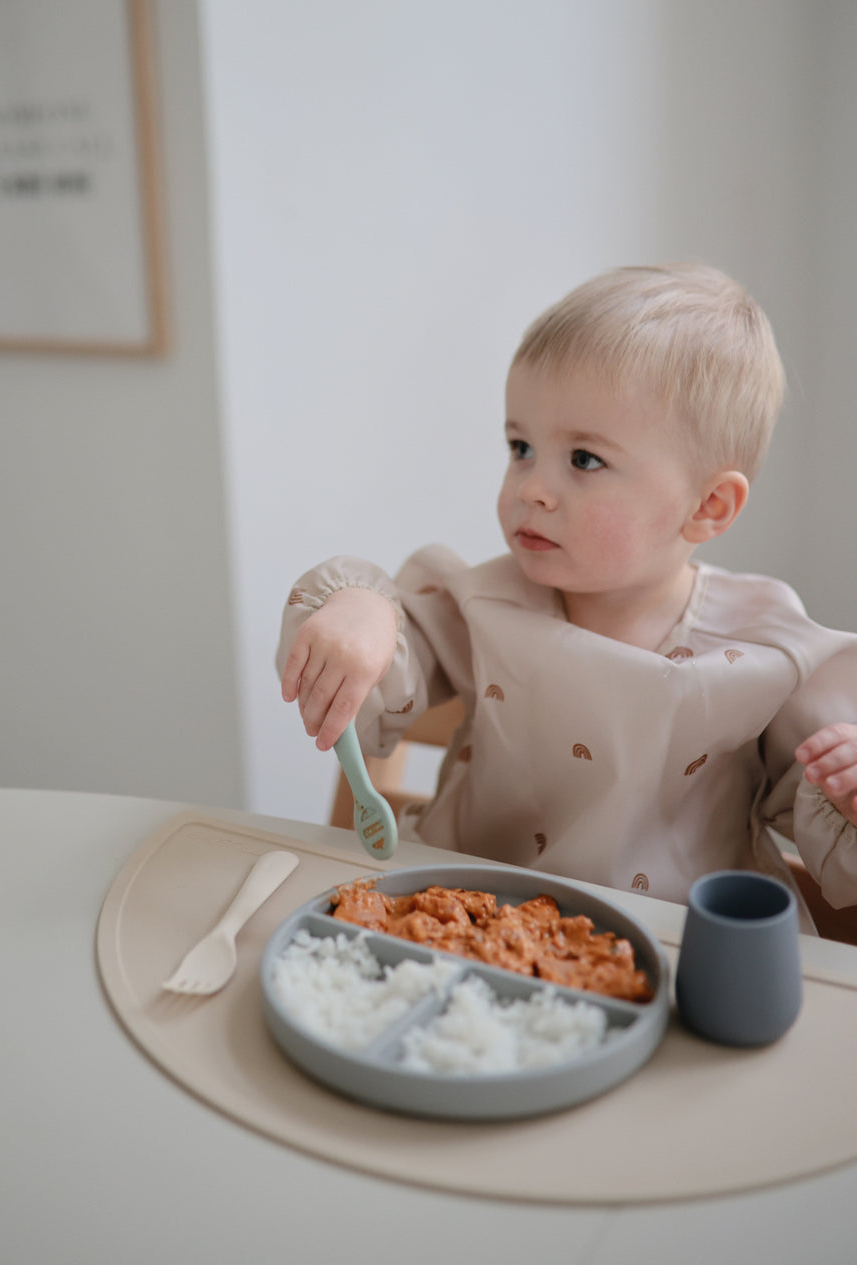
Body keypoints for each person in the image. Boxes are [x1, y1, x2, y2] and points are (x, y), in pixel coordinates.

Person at [277, 263, 857, 925]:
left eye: (583, 459)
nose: (530, 486)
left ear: (709, 505)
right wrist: (362, 608)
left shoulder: (763, 648)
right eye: (520, 446)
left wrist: (845, 790)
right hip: (464, 920)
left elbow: (829, 829)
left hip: (672, 957)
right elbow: (390, 649)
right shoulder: (487, 601)